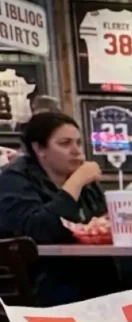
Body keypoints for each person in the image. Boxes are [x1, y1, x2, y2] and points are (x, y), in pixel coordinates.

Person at [0, 112, 117, 305]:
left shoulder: (86, 184)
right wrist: (76, 183)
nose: (76, 151)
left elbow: (102, 221)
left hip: (88, 271)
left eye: (78, 143)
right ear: (39, 148)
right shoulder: (14, 179)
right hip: (38, 281)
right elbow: (40, 230)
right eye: (65, 143)